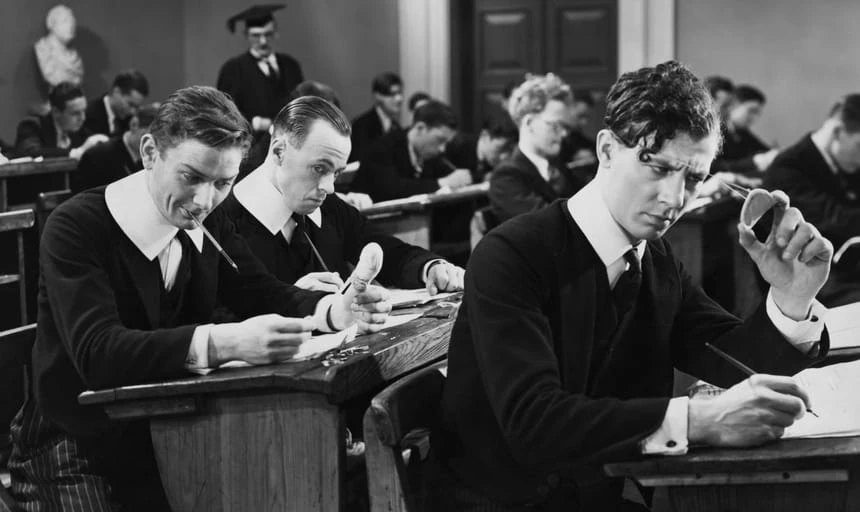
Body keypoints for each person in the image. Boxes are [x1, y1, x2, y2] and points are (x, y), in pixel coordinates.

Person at [427, 60, 832, 511]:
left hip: (596, 495)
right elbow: (534, 423)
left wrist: (791, 297)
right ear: (606, 150)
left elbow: (730, 358)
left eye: (693, 179)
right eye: (657, 167)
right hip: (499, 502)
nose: (674, 200)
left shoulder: (655, 256)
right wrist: (699, 419)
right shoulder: (512, 254)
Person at [7, 85, 390, 511]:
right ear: (150, 153)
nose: (205, 201)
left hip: (167, 428)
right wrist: (225, 342)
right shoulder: (77, 226)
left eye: (224, 183)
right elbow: (99, 352)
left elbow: (258, 291)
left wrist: (334, 311)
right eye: (191, 177)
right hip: (74, 442)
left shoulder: (210, 217)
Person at [222, 95, 464, 298]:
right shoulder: (225, 221)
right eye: (319, 168)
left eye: (336, 173)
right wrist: (292, 302)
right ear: (278, 151)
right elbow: (219, 317)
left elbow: (387, 251)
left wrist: (429, 267)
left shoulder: (329, 207)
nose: (329, 188)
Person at [763, 93, 860, 307]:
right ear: (837, 132)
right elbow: (836, 219)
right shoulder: (787, 168)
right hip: (811, 279)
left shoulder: (847, 163)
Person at [488, 73, 584, 227]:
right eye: (555, 125)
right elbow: (549, 225)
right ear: (529, 122)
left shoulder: (559, 167)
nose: (563, 134)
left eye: (565, 126)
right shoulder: (506, 177)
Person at [352, 100, 471, 201]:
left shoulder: (432, 156)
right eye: (439, 140)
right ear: (420, 128)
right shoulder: (382, 148)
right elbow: (391, 190)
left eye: (446, 143)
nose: (442, 149)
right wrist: (442, 183)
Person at [217, 4, 304, 136]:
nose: (263, 42)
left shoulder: (291, 66)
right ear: (246, 35)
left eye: (268, 34)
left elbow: (302, 106)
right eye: (256, 35)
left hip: (288, 140)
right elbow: (225, 114)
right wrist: (255, 123)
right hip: (251, 143)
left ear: (275, 32)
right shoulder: (233, 69)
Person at [71, 104, 158, 193]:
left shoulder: (153, 159)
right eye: (153, 137)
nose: (157, 145)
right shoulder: (99, 156)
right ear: (134, 125)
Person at [14, 82, 107, 159]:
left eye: (83, 111)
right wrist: (74, 153)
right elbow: (30, 152)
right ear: (56, 112)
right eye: (75, 113)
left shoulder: (80, 132)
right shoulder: (32, 125)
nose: (82, 118)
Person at [712, 84, 779, 176]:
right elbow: (713, 167)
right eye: (751, 111)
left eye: (758, 114)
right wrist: (753, 162)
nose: (754, 118)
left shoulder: (743, 133)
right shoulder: (714, 131)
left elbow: (763, 150)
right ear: (733, 106)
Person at [445, 114, 518, 183]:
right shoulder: (456, 147)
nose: (504, 156)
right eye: (500, 149)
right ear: (484, 136)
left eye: (510, 150)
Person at [348, 72, 404, 162]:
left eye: (400, 93)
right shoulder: (362, 125)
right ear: (378, 96)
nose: (399, 99)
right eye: (392, 94)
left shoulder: (396, 127)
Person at [84, 69, 150, 137]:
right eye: (130, 104)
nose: (132, 111)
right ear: (117, 91)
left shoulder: (131, 121)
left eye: (136, 107)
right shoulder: (88, 116)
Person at [34, 4, 83, 90]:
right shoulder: (43, 49)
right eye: (65, 21)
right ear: (52, 25)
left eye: (72, 22)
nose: (70, 26)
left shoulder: (73, 56)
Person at [558, 88, 599, 183]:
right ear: (567, 107)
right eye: (580, 116)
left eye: (587, 117)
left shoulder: (579, 139)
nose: (584, 122)